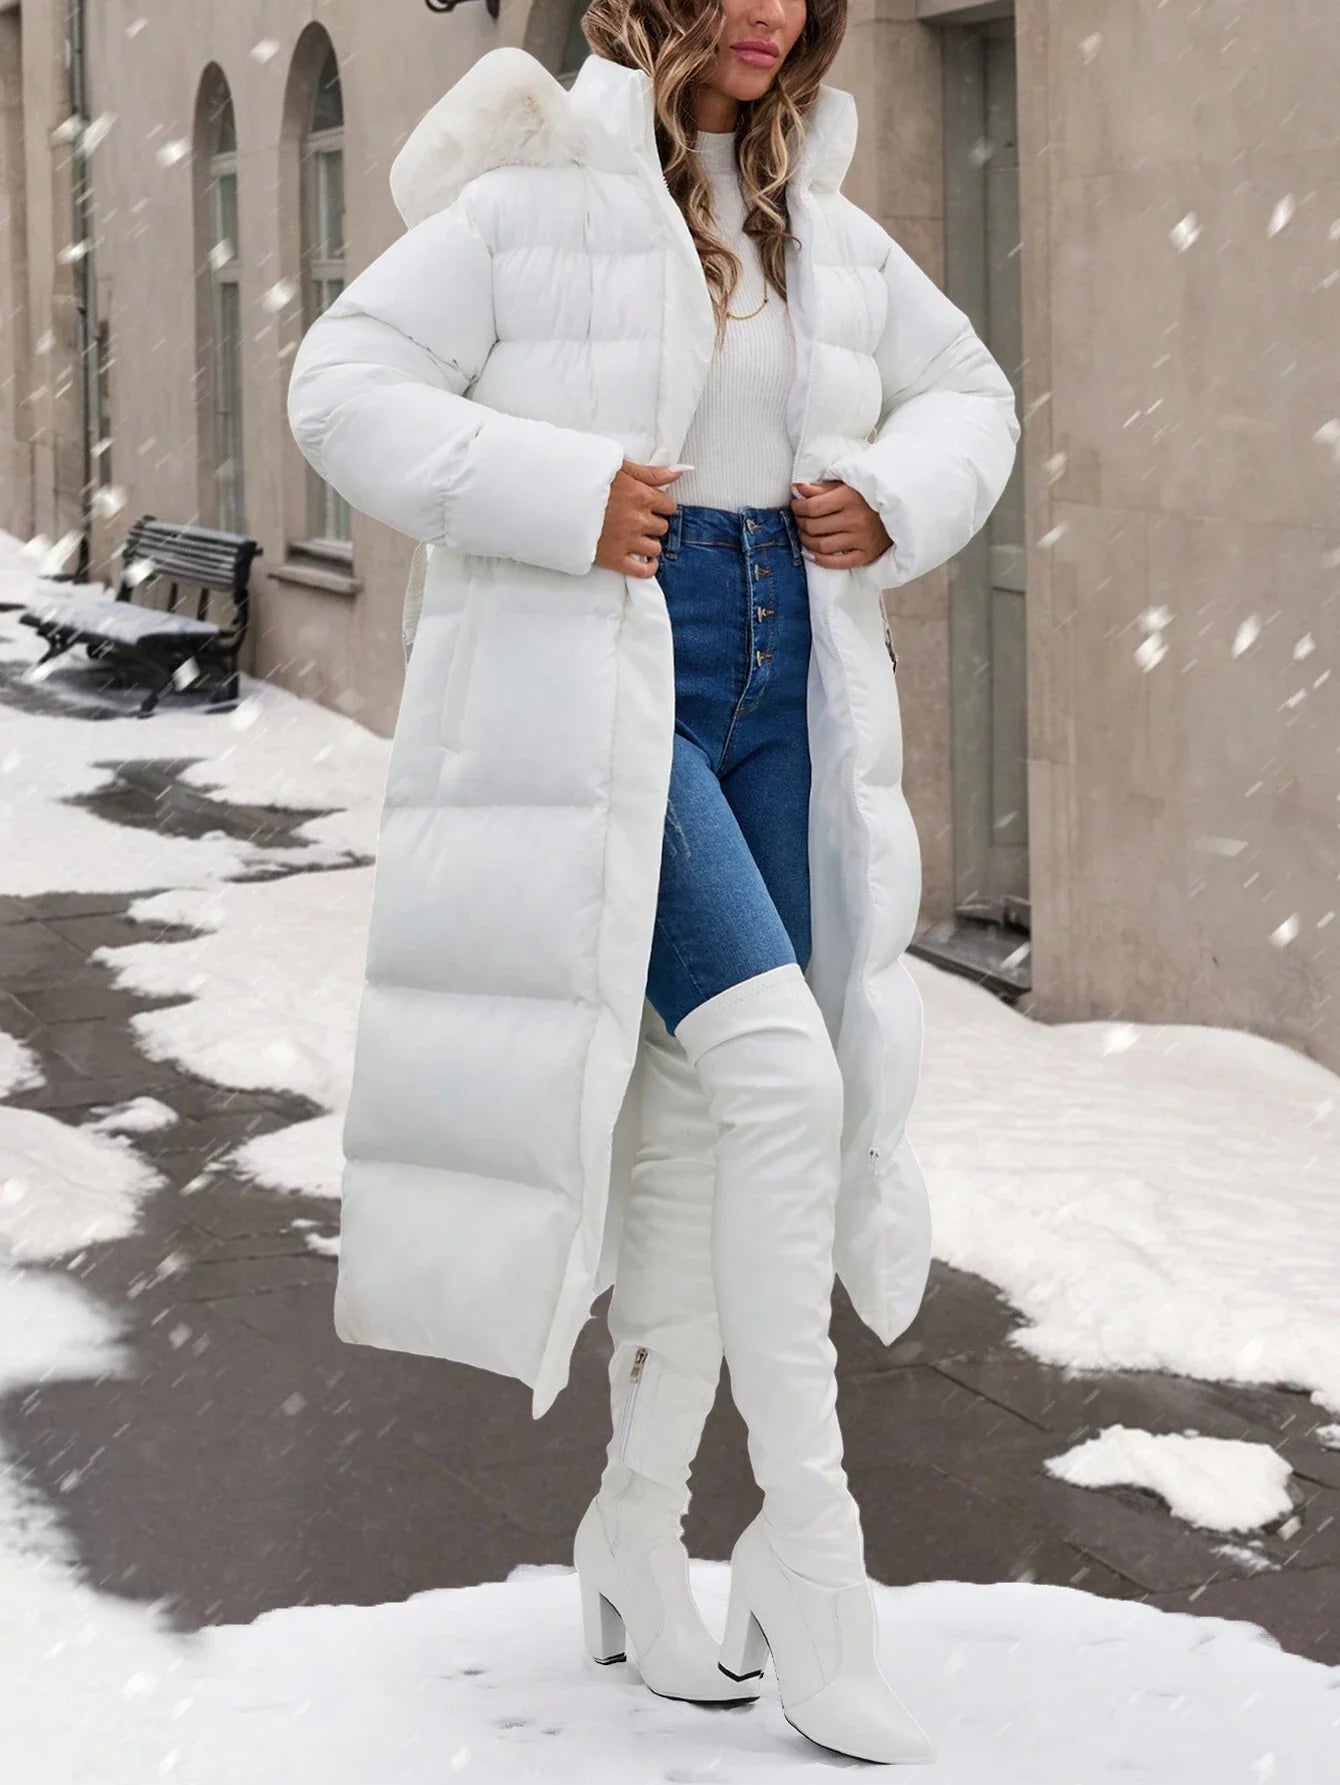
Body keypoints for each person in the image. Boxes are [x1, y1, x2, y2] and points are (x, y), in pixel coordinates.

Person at [286, 0, 1018, 1763]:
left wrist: (890, 492)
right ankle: (815, 1559)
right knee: (785, 1081)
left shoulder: (815, 220)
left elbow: (974, 395)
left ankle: (637, 1518)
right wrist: (562, 490)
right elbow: (340, 382)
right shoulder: (531, 194)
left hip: (785, 676)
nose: (773, 13)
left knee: (703, 1120)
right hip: (625, 681)